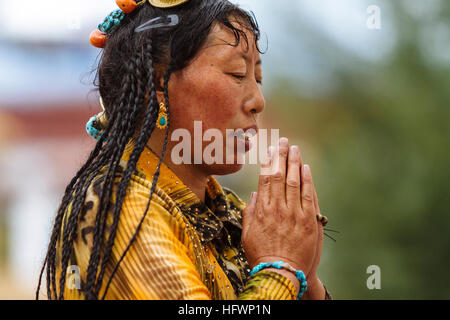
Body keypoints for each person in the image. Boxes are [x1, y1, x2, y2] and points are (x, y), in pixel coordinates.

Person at [37, 0, 332, 300]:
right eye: (237, 74)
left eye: (258, 79)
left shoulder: (227, 214)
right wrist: (280, 268)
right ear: (156, 84)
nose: (258, 100)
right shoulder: (115, 206)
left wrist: (306, 279)